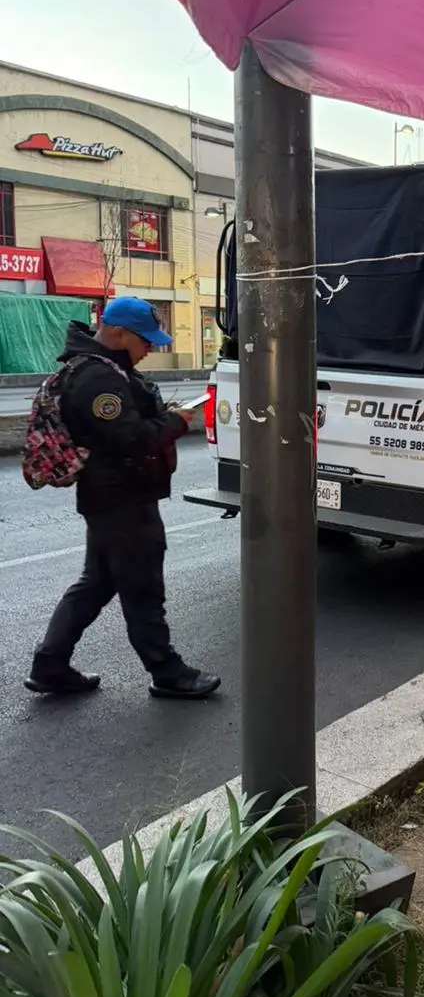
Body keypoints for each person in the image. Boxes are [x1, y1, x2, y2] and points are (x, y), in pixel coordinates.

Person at [26, 298, 221, 700]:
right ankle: (168, 672)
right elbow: (130, 440)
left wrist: (160, 416)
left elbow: (122, 429)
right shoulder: (98, 378)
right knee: (143, 588)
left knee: (96, 583)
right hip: (123, 500)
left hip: (110, 497)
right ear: (117, 334)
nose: (151, 349)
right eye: (146, 341)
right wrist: (173, 422)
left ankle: (50, 666)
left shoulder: (105, 370)